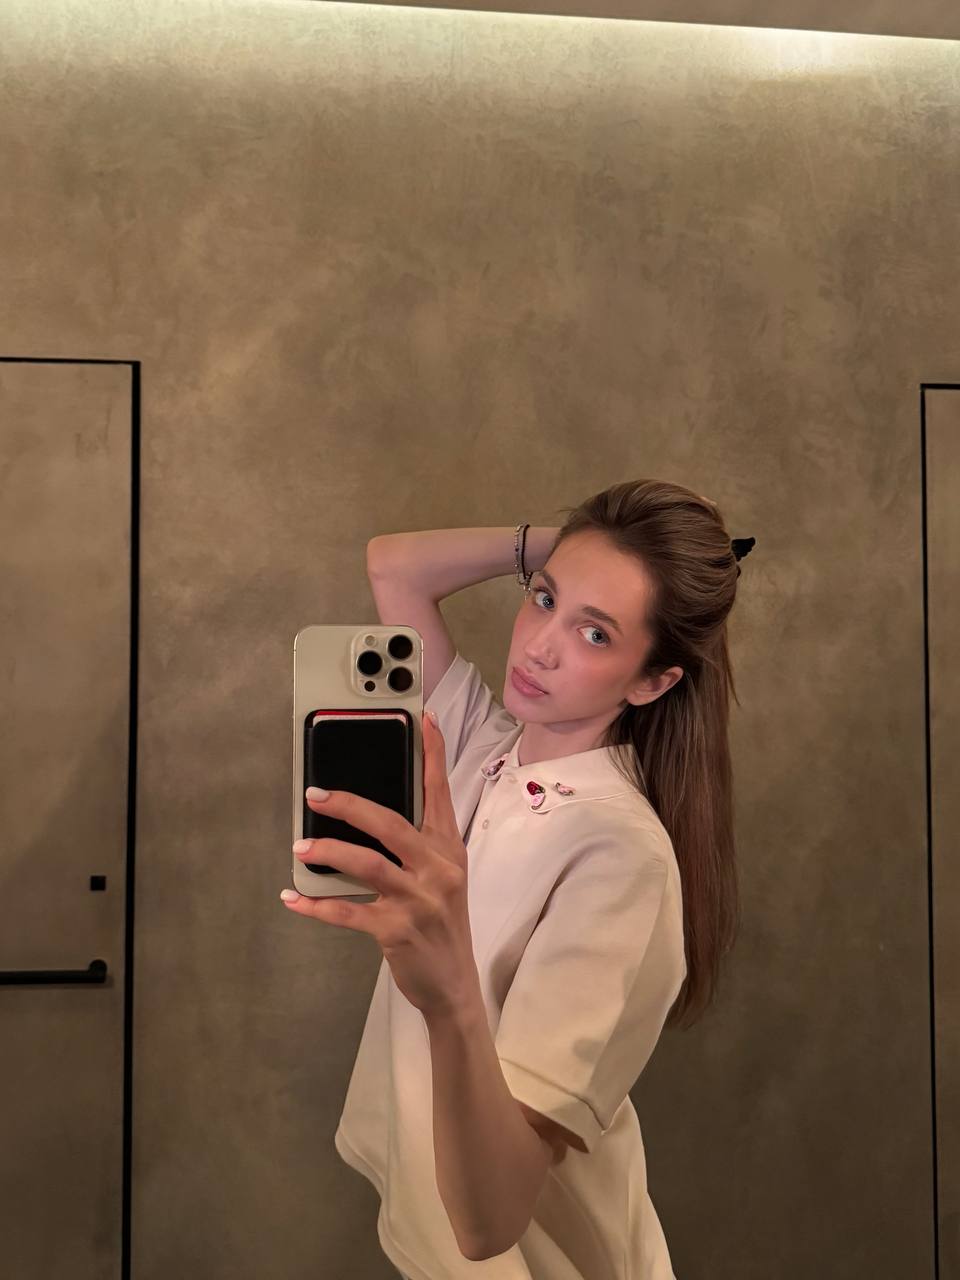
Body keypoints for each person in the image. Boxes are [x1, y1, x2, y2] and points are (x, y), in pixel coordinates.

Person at [335, 479, 753, 1278]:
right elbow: (394, 567)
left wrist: (449, 991)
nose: (538, 647)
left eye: (594, 633)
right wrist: (565, 545)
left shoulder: (619, 858)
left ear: (652, 682)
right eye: (544, 598)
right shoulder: (483, 747)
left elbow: (491, 1219)